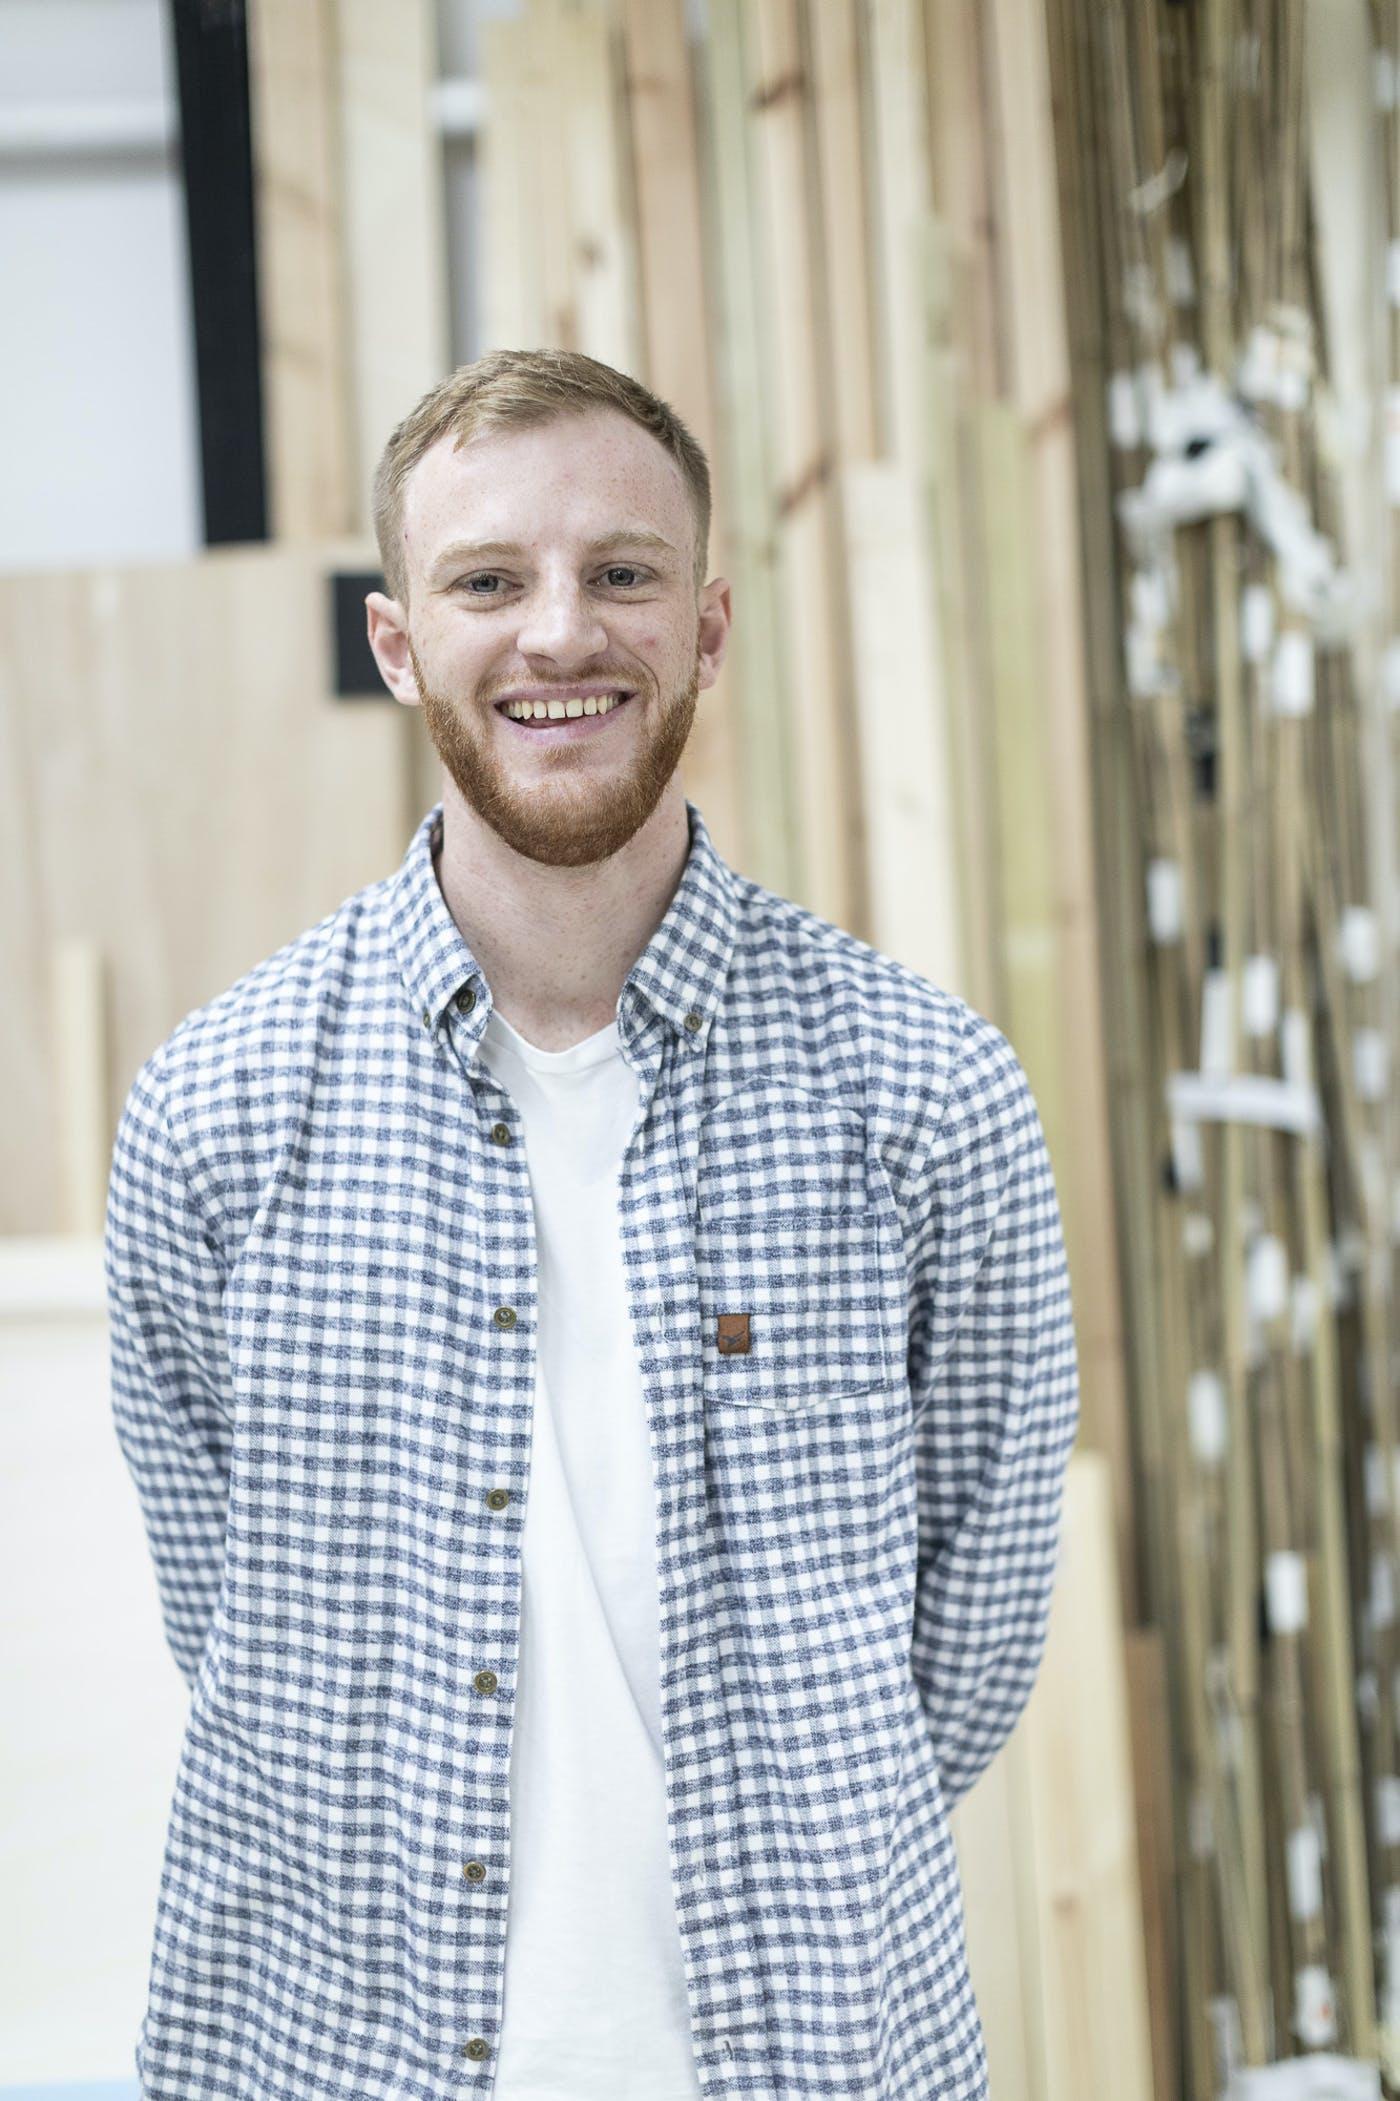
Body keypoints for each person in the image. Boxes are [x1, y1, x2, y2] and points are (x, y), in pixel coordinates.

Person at [106, 346, 1080, 2101]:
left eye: (621, 571)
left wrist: (795, 1848)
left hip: (810, 2056)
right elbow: (225, 1617)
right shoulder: (215, 1116)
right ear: (399, 642)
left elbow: (973, 1625)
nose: (560, 632)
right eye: (489, 581)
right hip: (335, 2057)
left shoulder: (925, 1094)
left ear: (706, 627)